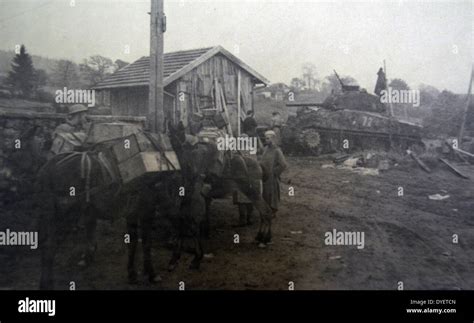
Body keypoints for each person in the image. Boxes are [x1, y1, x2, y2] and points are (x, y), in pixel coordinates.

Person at [260, 130, 288, 220]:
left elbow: (283, 164)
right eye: (265, 138)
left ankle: (273, 211)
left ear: (273, 139)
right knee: (265, 194)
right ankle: (267, 210)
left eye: (268, 138)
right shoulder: (265, 149)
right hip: (264, 176)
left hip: (272, 177)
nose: (266, 140)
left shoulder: (277, 150)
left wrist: (275, 173)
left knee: (273, 194)